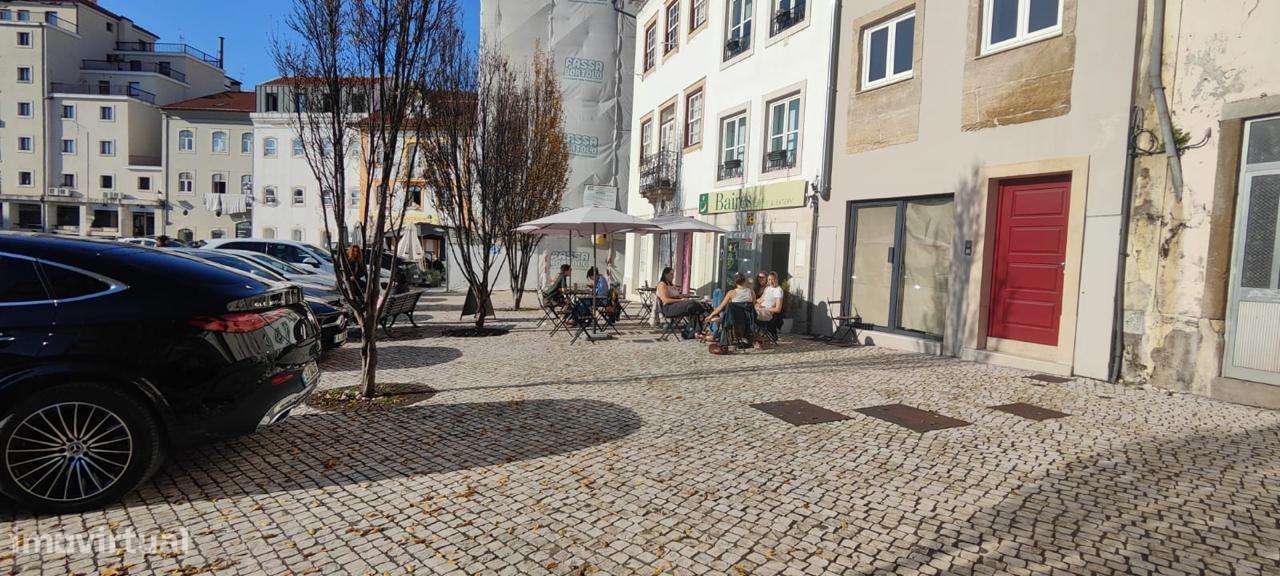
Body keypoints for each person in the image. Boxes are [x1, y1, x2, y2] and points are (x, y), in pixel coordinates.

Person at [707, 273, 760, 349]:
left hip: (733, 321)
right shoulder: (751, 292)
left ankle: (723, 341)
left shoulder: (731, 293)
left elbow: (720, 307)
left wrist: (710, 315)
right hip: (747, 320)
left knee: (727, 310)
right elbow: (753, 305)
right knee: (729, 311)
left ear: (735, 283)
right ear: (744, 281)